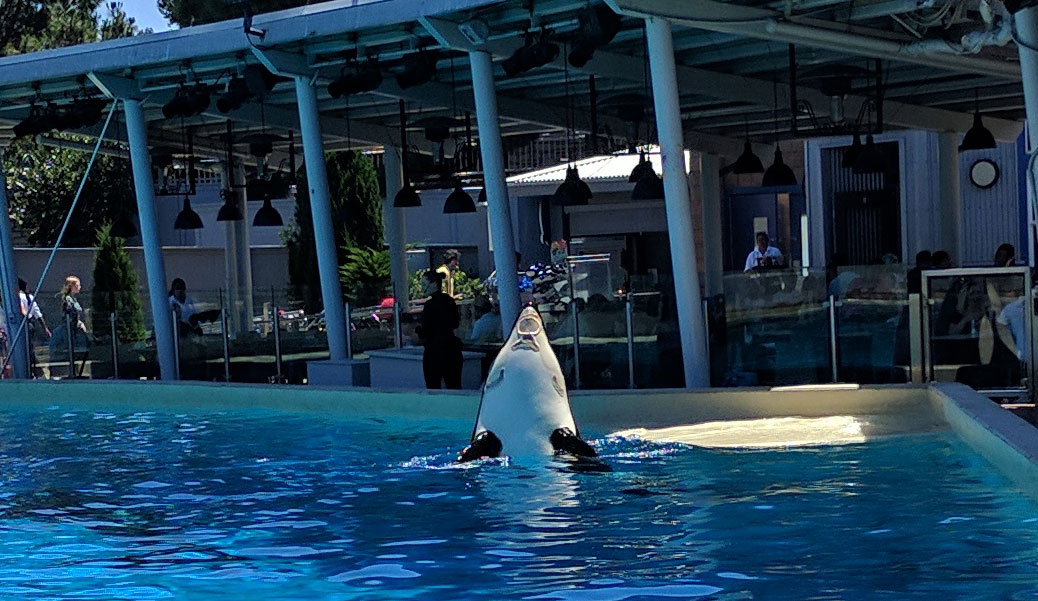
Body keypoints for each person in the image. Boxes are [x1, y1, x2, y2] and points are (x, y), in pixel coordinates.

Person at [419, 270, 462, 389]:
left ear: (433, 284)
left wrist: (417, 331)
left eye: (424, 284)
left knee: (433, 387)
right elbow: (455, 323)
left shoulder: (430, 305)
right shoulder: (449, 301)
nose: (423, 288)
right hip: (452, 349)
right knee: (454, 386)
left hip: (434, 352)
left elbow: (426, 330)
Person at [18, 278, 50, 377]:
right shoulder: (29, 297)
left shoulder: (17, 297)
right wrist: (45, 328)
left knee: (24, 349)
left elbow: (23, 311)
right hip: (30, 323)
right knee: (30, 348)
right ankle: (36, 371)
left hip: (24, 324)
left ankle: (31, 371)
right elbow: (38, 314)